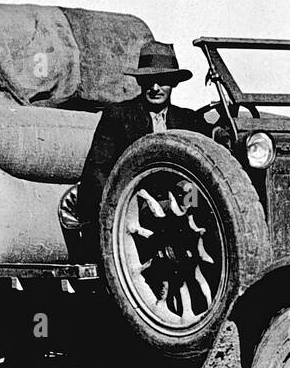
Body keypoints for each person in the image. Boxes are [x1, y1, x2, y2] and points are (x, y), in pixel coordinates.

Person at [68, 40, 212, 256]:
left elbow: (205, 170)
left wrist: (191, 203)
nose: (155, 88)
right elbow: (97, 171)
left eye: (162, 81)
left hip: (181, 203)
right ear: (141, 83)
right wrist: (117, 211)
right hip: (134, 204)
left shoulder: (190, 120)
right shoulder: (119, 116)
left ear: (173, 83)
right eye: (149, 81)